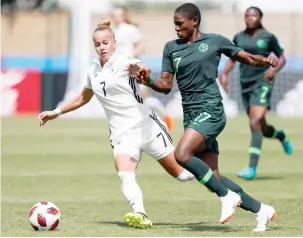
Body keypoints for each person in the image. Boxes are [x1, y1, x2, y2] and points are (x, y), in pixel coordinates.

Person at [133, 3, 278, 232]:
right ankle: (262, 210)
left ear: (194, 21)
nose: (176, 28)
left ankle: (226, 197)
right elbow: (165, 85)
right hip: (191, 115)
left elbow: (246, 58)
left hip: (211, 110)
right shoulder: (171, 48)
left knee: (181, 154)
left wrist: (266, 60)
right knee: (215, 178)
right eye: (175, 24)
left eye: (180, 24)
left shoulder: (215, 41)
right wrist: (147, 80)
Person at [38, 18, 194, 230]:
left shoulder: (124, 61)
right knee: (125, 174)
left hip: (146, 127)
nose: (102, 47)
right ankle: (140, 213)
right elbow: (83, 97)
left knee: (183, 175)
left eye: (105, 43)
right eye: (98, 44)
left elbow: (142, 67)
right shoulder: (93, 70)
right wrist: (56, 112)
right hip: (121, 133)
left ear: (114, 43)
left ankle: (215, 177)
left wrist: (142, 71)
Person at [220, 6, 293, 180]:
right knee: (262, 127)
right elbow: (233, 57)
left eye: (254, 15)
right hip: (245, 84)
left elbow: (282, 57)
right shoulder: (239, 37)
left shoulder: (268, 37)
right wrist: (224, 73)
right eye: (247, 15)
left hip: (263, 82)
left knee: (255, 122)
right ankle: (280, 135)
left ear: (260, 18)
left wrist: (272, 71)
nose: (250, 18)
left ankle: (252, 168)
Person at [112, 5, 175, 132]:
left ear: (124, 16)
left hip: (132, 68)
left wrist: (130, 57)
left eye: (119, 15)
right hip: (120, 70)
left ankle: (165, 114)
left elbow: (142, 46)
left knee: (143, 98)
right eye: (115, 15)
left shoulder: (130, 29)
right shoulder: (114, 30)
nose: (116, 18)